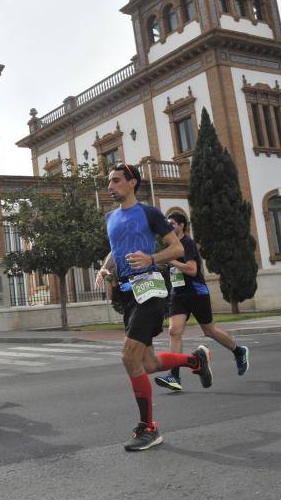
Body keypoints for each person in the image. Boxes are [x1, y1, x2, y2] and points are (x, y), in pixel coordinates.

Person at [95, 162, 212, 452]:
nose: (111, 186)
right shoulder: (110, 216)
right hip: (128, 293)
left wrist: (151, 258)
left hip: (151, 288)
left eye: (116, 180)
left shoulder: (149, 213)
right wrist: (104, 267)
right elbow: (116, 247)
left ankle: (149, 428)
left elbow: (177, 248)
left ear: (132, 182)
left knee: (128, 356)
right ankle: (194, 361)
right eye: (109, 181)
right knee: (147, 363)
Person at [154, 213, 249, 392]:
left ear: (182, 225)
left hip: (196, 293)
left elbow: (192, 269)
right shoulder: (170, 245)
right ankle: (174, 376)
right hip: (178, 294)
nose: (169, 226)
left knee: (209, 330)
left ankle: (239, 351)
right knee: (174, 331)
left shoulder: (187, 244)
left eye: (172, 223)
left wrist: (170, 260)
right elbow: (172, 267)